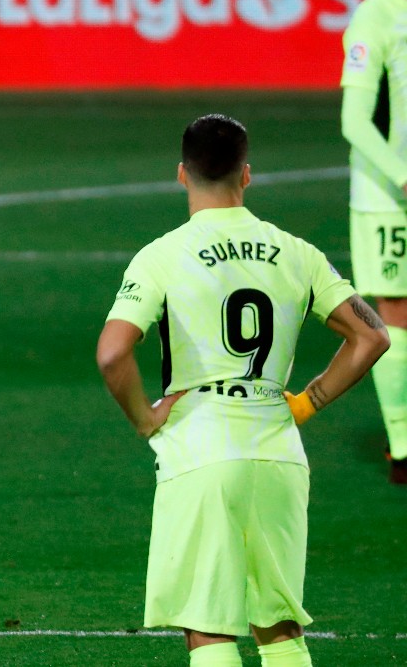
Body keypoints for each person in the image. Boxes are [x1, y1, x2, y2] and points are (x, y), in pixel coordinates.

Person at [96, 114, 389, 667]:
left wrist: (144, 417)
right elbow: (371, 337)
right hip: (278, 450)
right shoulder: (298, 252)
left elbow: (113, 353)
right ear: (246, 175)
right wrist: (309, 400)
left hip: (200, 450)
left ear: (182, 174)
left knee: (208, 631)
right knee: (278, 628)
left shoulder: (161, 255)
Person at [340, 0, 407, 483]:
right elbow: (355, 121)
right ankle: (404, 446)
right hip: (390, 198)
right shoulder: (377, 14)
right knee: (399, 310)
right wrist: (403, 177)